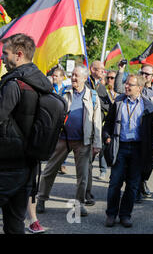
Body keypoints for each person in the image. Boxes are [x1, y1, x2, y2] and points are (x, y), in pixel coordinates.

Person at [0, 33, 53, 234]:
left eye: (5, 53)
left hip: (7, 164)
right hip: (28, 165)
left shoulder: (15, 83)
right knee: (14, 224)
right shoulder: (40, 81)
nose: (3, 58)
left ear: (19, 54)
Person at [36, 65, 102, 217]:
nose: (73, 78)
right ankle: (41, 199)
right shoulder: (64, 93)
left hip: (83, 141)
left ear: (85, 78)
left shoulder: (92, 96)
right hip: (62, 139)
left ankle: (79, 204)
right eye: (72, 75)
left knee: (82, 176)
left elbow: (96, 121)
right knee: (49, 171)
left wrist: (97, 144)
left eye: (76, 76)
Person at [103, 74, 153, 228]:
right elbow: (107, 124)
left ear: (139, 88)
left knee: (133, 185)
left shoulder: (148, 106)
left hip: (138, 149)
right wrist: (107, 136)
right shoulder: (119, 102)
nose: (126, 86)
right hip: (120, 147)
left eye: (130, 85)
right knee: (115, 182)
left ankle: (125, 215)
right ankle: (111, 214)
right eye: (126, 83)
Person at [115, 62, 153, 200]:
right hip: (133, 135)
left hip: (149, 133)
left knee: (149, 161)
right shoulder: (132, 87)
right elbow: (119, 88)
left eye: (147, 74)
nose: (143, 75)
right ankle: (135, 189)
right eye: (142, 72)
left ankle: (142, 181)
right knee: (133, 164)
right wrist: (121, 70)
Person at [85, 60, 111, 202]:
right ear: (92, 69)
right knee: (86, 164)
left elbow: (108, 106)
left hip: (97, 129)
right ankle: (85, 192)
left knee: (89, 163)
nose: (103, 71)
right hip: (85, 129)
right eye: (100, 69)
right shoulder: (86, 84)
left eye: (103, 69)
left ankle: (85, 191)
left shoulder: (100, 87)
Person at [51, 67, 70, 175]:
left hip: (63, 120)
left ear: (62, 78)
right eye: (53, 75)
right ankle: (54, 164)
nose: (54, 77)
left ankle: (62, 164)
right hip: (51, 119)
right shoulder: (49, 88)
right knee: (53, 142)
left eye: (56, 75)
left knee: (62, 143)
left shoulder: (66, 90)